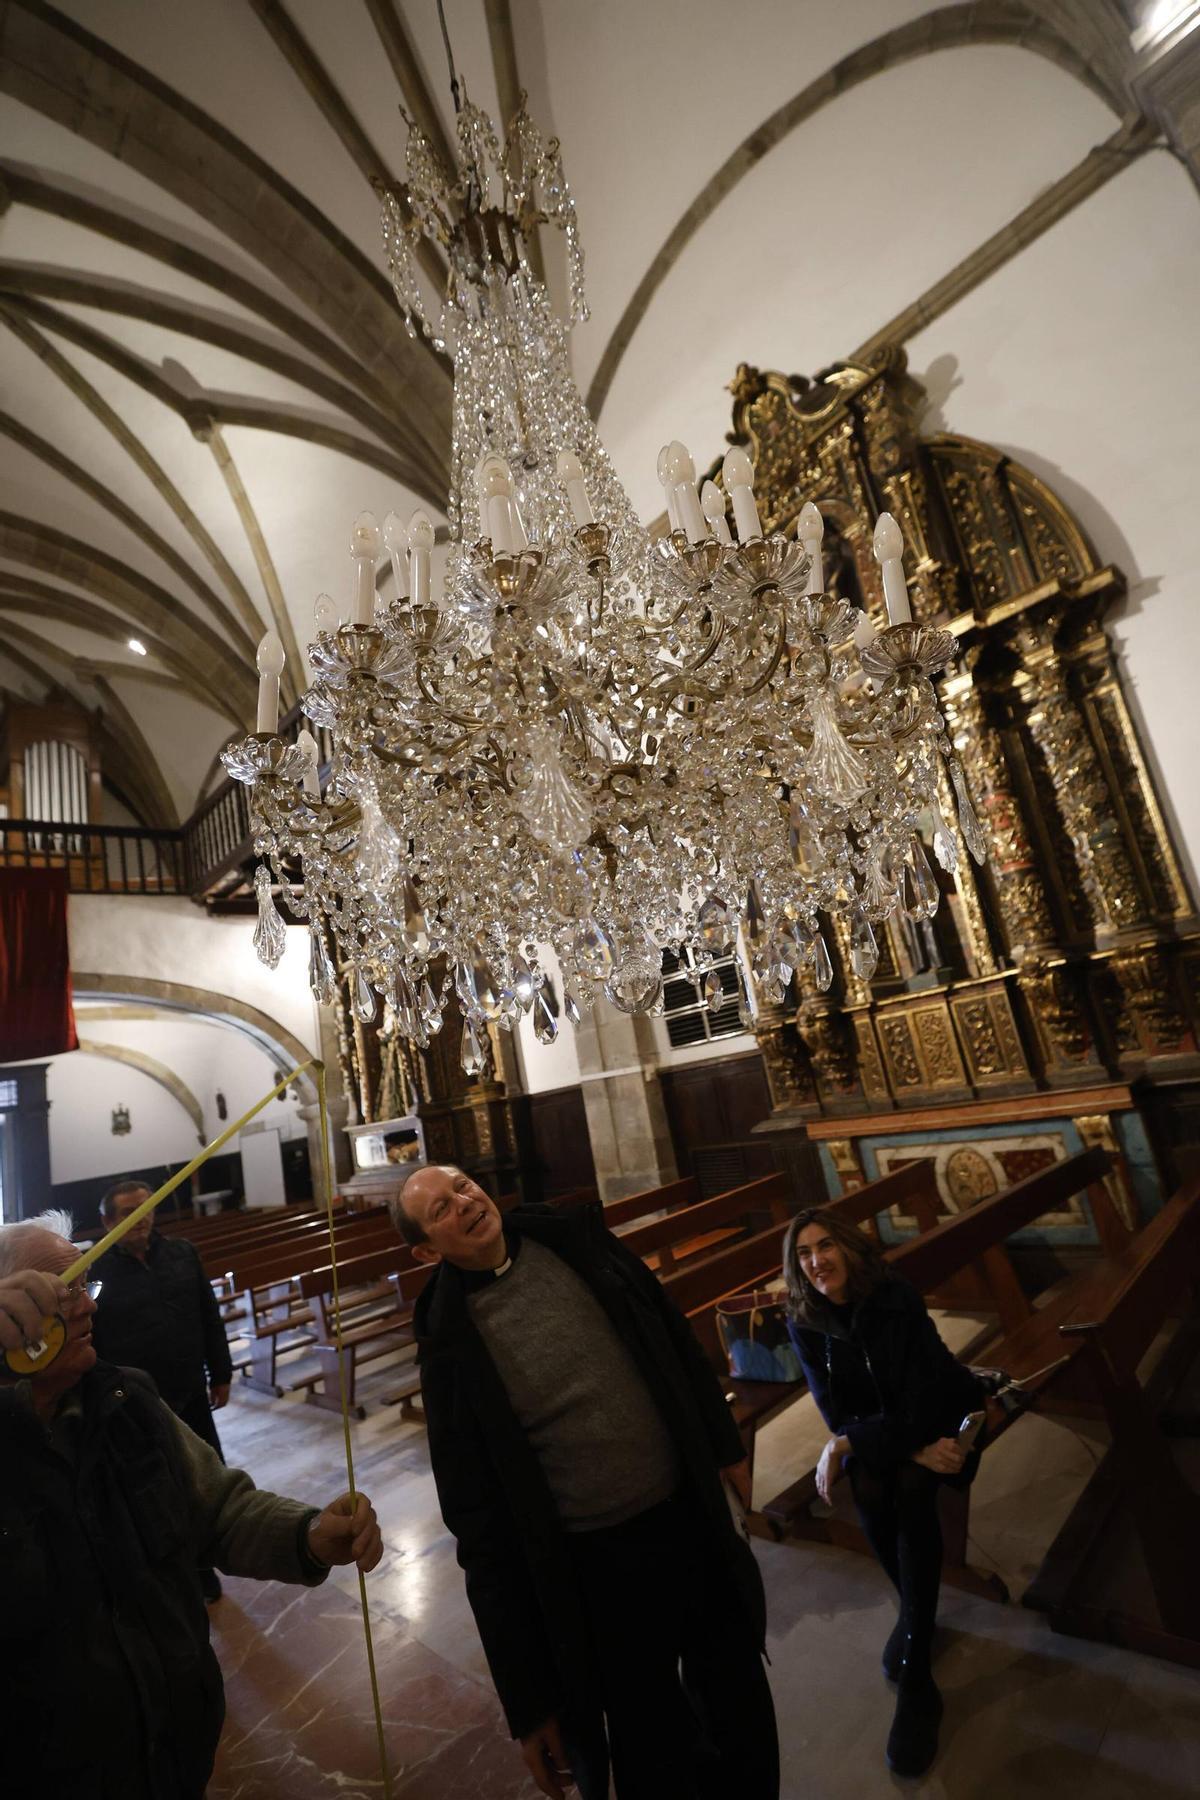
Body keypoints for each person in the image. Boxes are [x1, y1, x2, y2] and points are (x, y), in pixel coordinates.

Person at [393, 1162, 778, 1800]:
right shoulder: (448, 1343)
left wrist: (721, 1440)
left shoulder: (571, 1240)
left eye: (461, 1186)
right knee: (652, 1743)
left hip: (687, 1514)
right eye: (439, 1210)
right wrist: (527, 1701)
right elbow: (478, 1525)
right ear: (427, 1250)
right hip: (600, 1565)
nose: (462, 1203)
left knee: (737, 1695)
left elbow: (670, 1333)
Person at [0, 1212, 383, 1800]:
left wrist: (305, 1535)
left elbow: (219, 1510)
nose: (88, 1307)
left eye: (85, 1285)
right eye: (63, 1290)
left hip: (176, 1748)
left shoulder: (128, 1397)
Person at [782, 1206, 987, 1778]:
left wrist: (847, 1446)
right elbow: (835, 1412)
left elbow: (925, 1397)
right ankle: (919, 1618)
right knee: (870, 1490)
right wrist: (854, 1444)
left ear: (846, 1247)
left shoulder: (894, 1296)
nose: (817, 1261)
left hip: (945, 1412)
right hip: (894, 1435)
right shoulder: (803, 1319)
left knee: (912, 1488)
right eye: (804, 1254)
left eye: (825, 1246)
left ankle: (917, 1676)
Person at [91, 1178, 236, 1599]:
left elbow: (209, 1316)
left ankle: (207, 1563)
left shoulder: (181, 1253)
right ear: (107, 1221)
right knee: (156, 1491)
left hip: (189, 1391)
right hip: (135, 1406)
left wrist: (221, 1372)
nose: (141, 1219)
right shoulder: (95, 1272)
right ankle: (173, 1571)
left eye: (146, 1209)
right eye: (127, 1213)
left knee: (206, 1481)